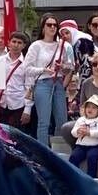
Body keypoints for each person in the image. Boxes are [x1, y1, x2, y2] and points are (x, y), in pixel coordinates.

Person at [22, 14, 73, 146]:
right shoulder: (36, 45)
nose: (52, 27)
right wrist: (43, 70)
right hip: (43, 83)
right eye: (49, 25)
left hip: (59, 83)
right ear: (43, 27)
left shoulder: (64, 45)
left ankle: (60, 152)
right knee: (44, 122)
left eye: (55, 25)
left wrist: (63, 67)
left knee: (62, 120)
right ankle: (44, 154)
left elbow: (70, 67)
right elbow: (27, 68)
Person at [0, 32, 32, 132]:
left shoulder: (27, 64)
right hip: (1, 103)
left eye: (19, 42)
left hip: (18, 104)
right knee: (0, 134)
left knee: (15, 135)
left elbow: (29, 87)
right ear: (8, 43)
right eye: (13, 42)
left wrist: (27, 110)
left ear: (24, 45)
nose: (16, 45)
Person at [67, 95, 98, 178]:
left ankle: (91, 177)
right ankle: (73, 176)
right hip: (81, 146)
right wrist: (77, 131)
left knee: (92, 157)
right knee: (74, 156)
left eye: (94, 108)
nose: (90, 109)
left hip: (95, 146)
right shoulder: (81, 119)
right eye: (88, 107)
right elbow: (73, 132)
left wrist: (89, 132)